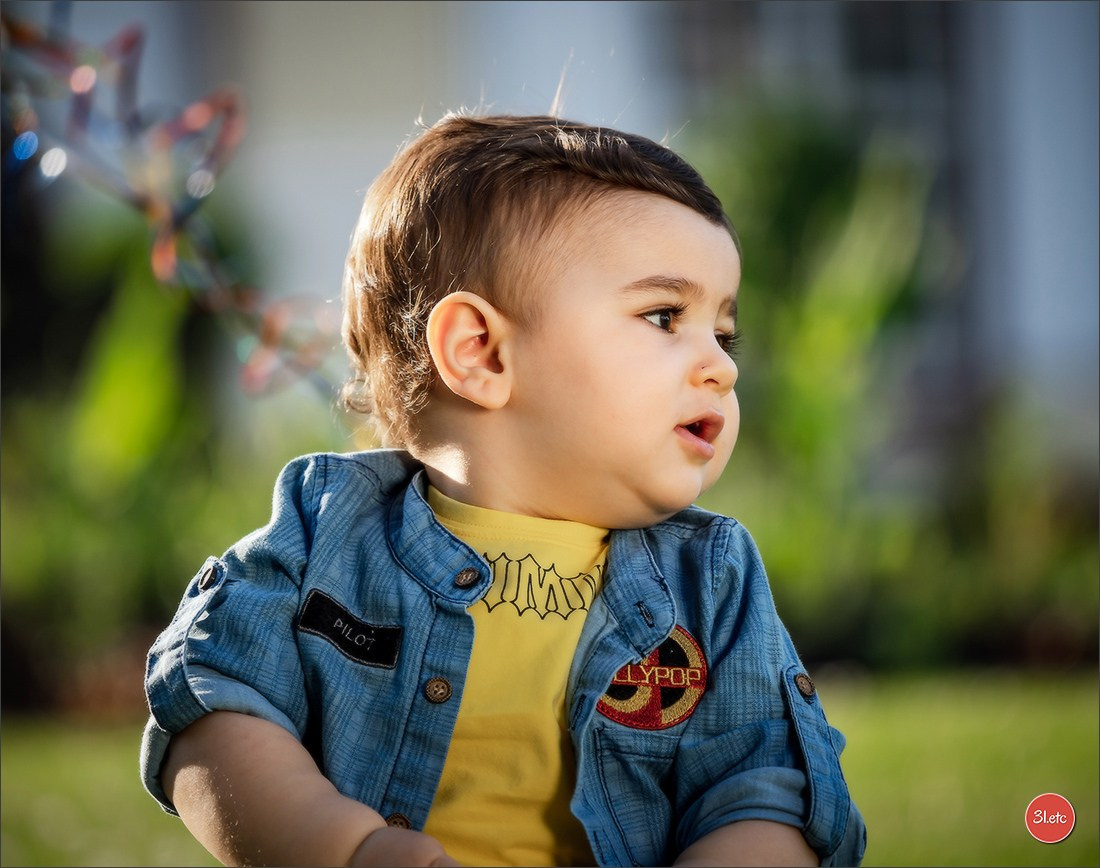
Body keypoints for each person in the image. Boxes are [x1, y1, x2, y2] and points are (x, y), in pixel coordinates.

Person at [140, 112, 866, 868]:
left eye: (724, 332)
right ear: (480, 351)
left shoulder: (709, 582)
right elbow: (214, 705)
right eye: (664, 316)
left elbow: (763, 792)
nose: (721, 365)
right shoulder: (324, 537)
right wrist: (349, 850)